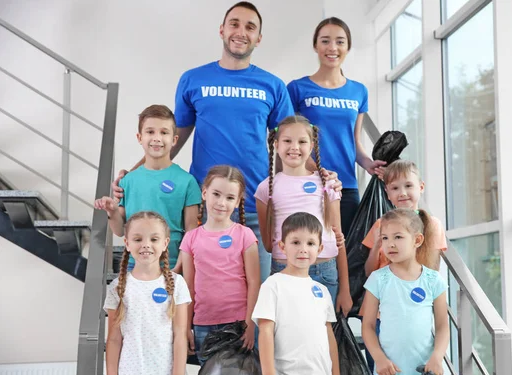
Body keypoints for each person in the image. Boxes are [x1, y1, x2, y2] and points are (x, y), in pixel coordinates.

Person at [111, 2, 341, 281]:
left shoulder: (272, 85)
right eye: (234, 24)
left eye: (250, 27)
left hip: (258, 204)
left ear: (259, 37)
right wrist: (133, 174)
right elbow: (175, 138)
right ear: (222, 30)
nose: (241, 32)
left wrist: (320, 175)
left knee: (259, 291)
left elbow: (291, 145)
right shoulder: (193, 80)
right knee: (206, 288)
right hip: (205, 203)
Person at [287, 17, 386, 235]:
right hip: (308, 184)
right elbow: (288, 142)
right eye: (325, 41)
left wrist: (368, 163)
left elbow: (354, 141)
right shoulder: (296, 89)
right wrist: (317, 170)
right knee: (308, 252)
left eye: (340, 41)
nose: (333, 48)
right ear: (315, 46)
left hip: (346, 187)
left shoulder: (358, 92)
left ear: (348, 47)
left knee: (345, 258)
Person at [254, 115, 352, 315]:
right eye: (287, 141)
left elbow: (338, 236)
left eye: (302, 141)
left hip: (324, 272)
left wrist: (346, 290)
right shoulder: (266, 189)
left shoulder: (327, 183)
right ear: (276, 144)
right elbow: (267, 244)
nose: (294, 147)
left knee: (322, 338)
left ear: (312, 144)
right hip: (283, 272)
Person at [95, 105, 201, 272]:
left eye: (164, 132)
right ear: (139, 137)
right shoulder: (128, 181)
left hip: (171, 266)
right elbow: (119, 231)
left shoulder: (187, 181)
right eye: (150, 132)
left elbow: (191, 231)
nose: (157, 138)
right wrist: (112, 211)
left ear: (174, 139)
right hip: (134, 266)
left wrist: (180, 268)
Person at [361, 208, 449, 375]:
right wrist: (379, 359)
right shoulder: (378, 279)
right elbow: (367, 326)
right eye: (384, 238)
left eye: (398, 237)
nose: (390, 244)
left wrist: (437, 358)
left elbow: (443, 326)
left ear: (417, 240)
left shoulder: (433, 280)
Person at [253, 212, 341, 375]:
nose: (303, 249)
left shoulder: (322, 291)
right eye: (295, 242)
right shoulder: (273, 284)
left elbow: (329, 337)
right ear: (283, 247)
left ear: (320, 248)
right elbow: (265, 331)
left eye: (310, 243)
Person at [104, 211, 190, 375]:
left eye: (154, 239)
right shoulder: (117, 287)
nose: (146, 245)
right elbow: (114, 340)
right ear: (126, 243)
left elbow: (179, 336)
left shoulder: (177, 284)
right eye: (137, 239)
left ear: (165, 243)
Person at [180, 165, 260, 362]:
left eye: (230, 198)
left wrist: (250, 325)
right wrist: (186, 327)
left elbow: (254, 283)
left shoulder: (245, 235)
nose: (221, 203)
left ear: (238, 202)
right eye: (216, 194)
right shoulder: (190, 238)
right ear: (205, 193)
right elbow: (188, 287)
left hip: (238, 324)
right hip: (202, 325)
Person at [363, 159, 447, 273]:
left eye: (408, 185)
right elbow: (369, 272)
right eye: (395, 188)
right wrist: (377, 246)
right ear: (387, 193)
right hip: (384, 288)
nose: (402, 193)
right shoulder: (380, 223)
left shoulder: (433, 224)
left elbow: (433, 269)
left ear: (421, 187)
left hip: (416, 289)